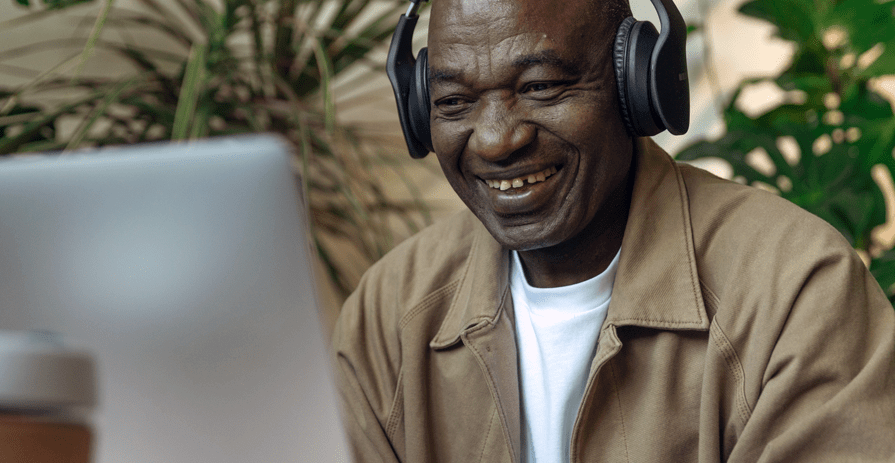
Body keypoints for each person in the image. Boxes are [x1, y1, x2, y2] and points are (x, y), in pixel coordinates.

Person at [332, 0, 895, 461]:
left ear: (638, 85)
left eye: (541, 87)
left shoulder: (796, 288)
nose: (496, 140)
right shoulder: (390, 314)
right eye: (454, 102)